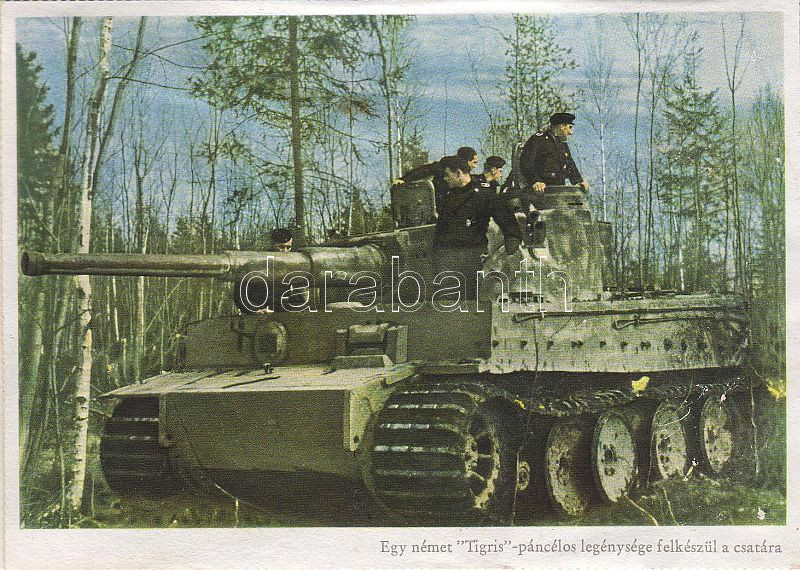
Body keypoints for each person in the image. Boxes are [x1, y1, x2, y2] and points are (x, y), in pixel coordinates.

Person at [518, 112, 589, 194]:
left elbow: (570, 167)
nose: (571, 132)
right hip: (539, 192)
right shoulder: (538, 139)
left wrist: (579, 182)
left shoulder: (562, 145)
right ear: (561, 126)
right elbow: (525, 163)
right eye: (570, 127)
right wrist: (536, 181)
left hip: (558, 190)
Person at [392, 146, 479, 206]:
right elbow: (424, 170)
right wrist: (404, 179)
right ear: (466, 160)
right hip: (440, 201)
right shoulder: (444, 166)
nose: (475, 166)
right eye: (474, 162)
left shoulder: (468, 176)